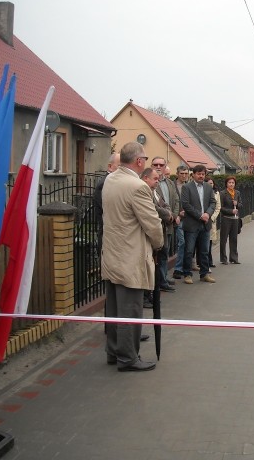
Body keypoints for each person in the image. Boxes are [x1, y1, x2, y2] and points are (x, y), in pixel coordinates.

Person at [101, 142, 163, 372]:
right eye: (145, 159)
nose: (145, 162)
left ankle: (113, 351)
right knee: (130, 309)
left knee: (114, 308)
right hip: (130, 256)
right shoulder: (137, 186)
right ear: (138, 161)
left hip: (112, 254)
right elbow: (152, 225)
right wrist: (159, 245)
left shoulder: (111, 179)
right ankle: (127, 357)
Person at [181, 164, 217, 284]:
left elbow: (213, 202)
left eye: (203, 174)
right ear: (193, 175)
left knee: (204, 251)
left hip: (205, 224)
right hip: (192, 224)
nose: (201, 176)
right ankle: (187, 274)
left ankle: (204, 274)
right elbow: (186, 204)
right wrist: (200, 215)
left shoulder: (208, 187)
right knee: (189, 250)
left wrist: (207, 213)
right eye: (199, 174)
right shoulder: (187, 187)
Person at [150, 157, 177, 292]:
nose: (158, 166)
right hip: (158, 224)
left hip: (169, 223)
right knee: (159, 254)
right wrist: (168, 215)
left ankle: (164, 278)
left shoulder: (170, 183)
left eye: (161, 164)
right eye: (156, 164)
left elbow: (175, 200)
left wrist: (174, 215)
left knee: (166, 252)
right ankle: (159, 282)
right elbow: (154, 206)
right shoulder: (150, 184)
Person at [93, 153, 120, 254]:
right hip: (109, 239)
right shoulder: (105, 184)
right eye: (120, 166)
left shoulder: (115, 182)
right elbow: (109, 211)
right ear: (110, 166)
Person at [219, 176, 243, 265]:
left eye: (233, 183)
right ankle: (223, 258)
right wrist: (231, 211)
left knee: (234, 239)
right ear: (226, 184)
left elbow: (241, 204)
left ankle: (234, 258)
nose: (231, 184)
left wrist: (238, 204)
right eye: (229, 182)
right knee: (223, 239)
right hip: (226, 219)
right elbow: (220, 207)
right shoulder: (222, 193)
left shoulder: (237, 193)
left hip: (235, 219)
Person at [172, 166, 189, 280]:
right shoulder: (172, 185)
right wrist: (178, 213)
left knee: (188, 244)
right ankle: (178, 268)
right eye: (182, 173)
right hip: (178, 218)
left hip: (189, 218)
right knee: (182, 242)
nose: (184, 175)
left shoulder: (189, 186)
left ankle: (185, 267)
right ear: (177, 174)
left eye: (186, 173)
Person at [206, 176, 221, 268]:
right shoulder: (202, 192)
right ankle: (203, 261)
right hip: (203, 219)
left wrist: (212, 217)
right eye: (208, 183)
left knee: (210, 241)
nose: (210, 185)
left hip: (212, 220)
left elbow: (218, 207)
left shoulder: (216, 193)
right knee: (203, 242)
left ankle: (210, 260)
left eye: (211, 183)